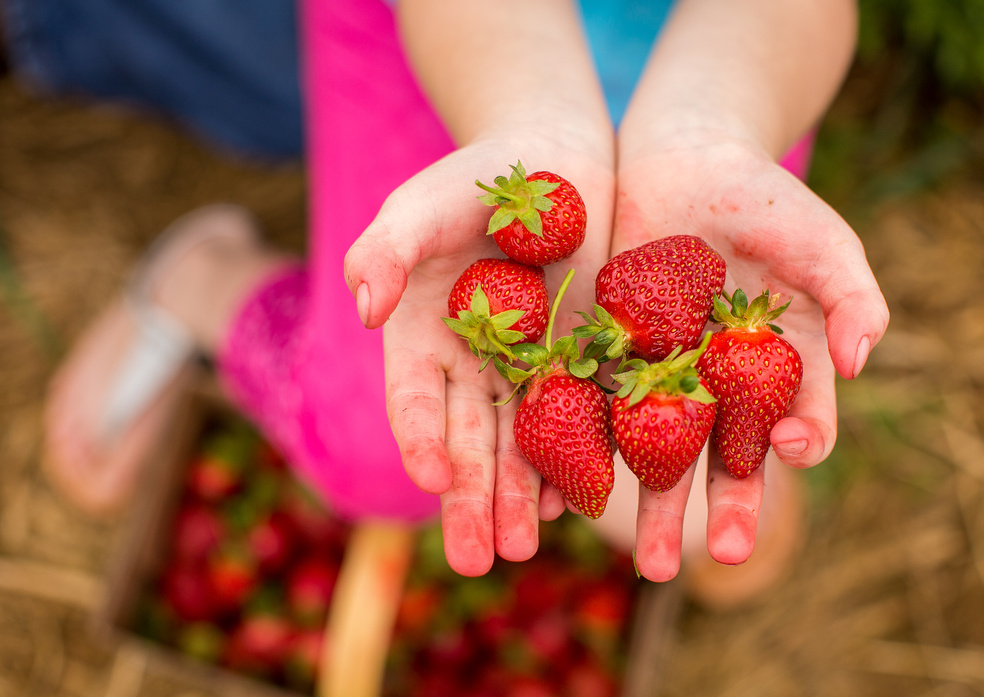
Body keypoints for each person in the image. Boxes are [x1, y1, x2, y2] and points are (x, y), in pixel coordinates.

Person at [34, 0, 888, 605]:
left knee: (700, 508)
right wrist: (529, 125)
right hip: (460, 41)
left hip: (731, 73)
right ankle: (201, 276)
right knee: (374, 454)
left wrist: (712, 131)